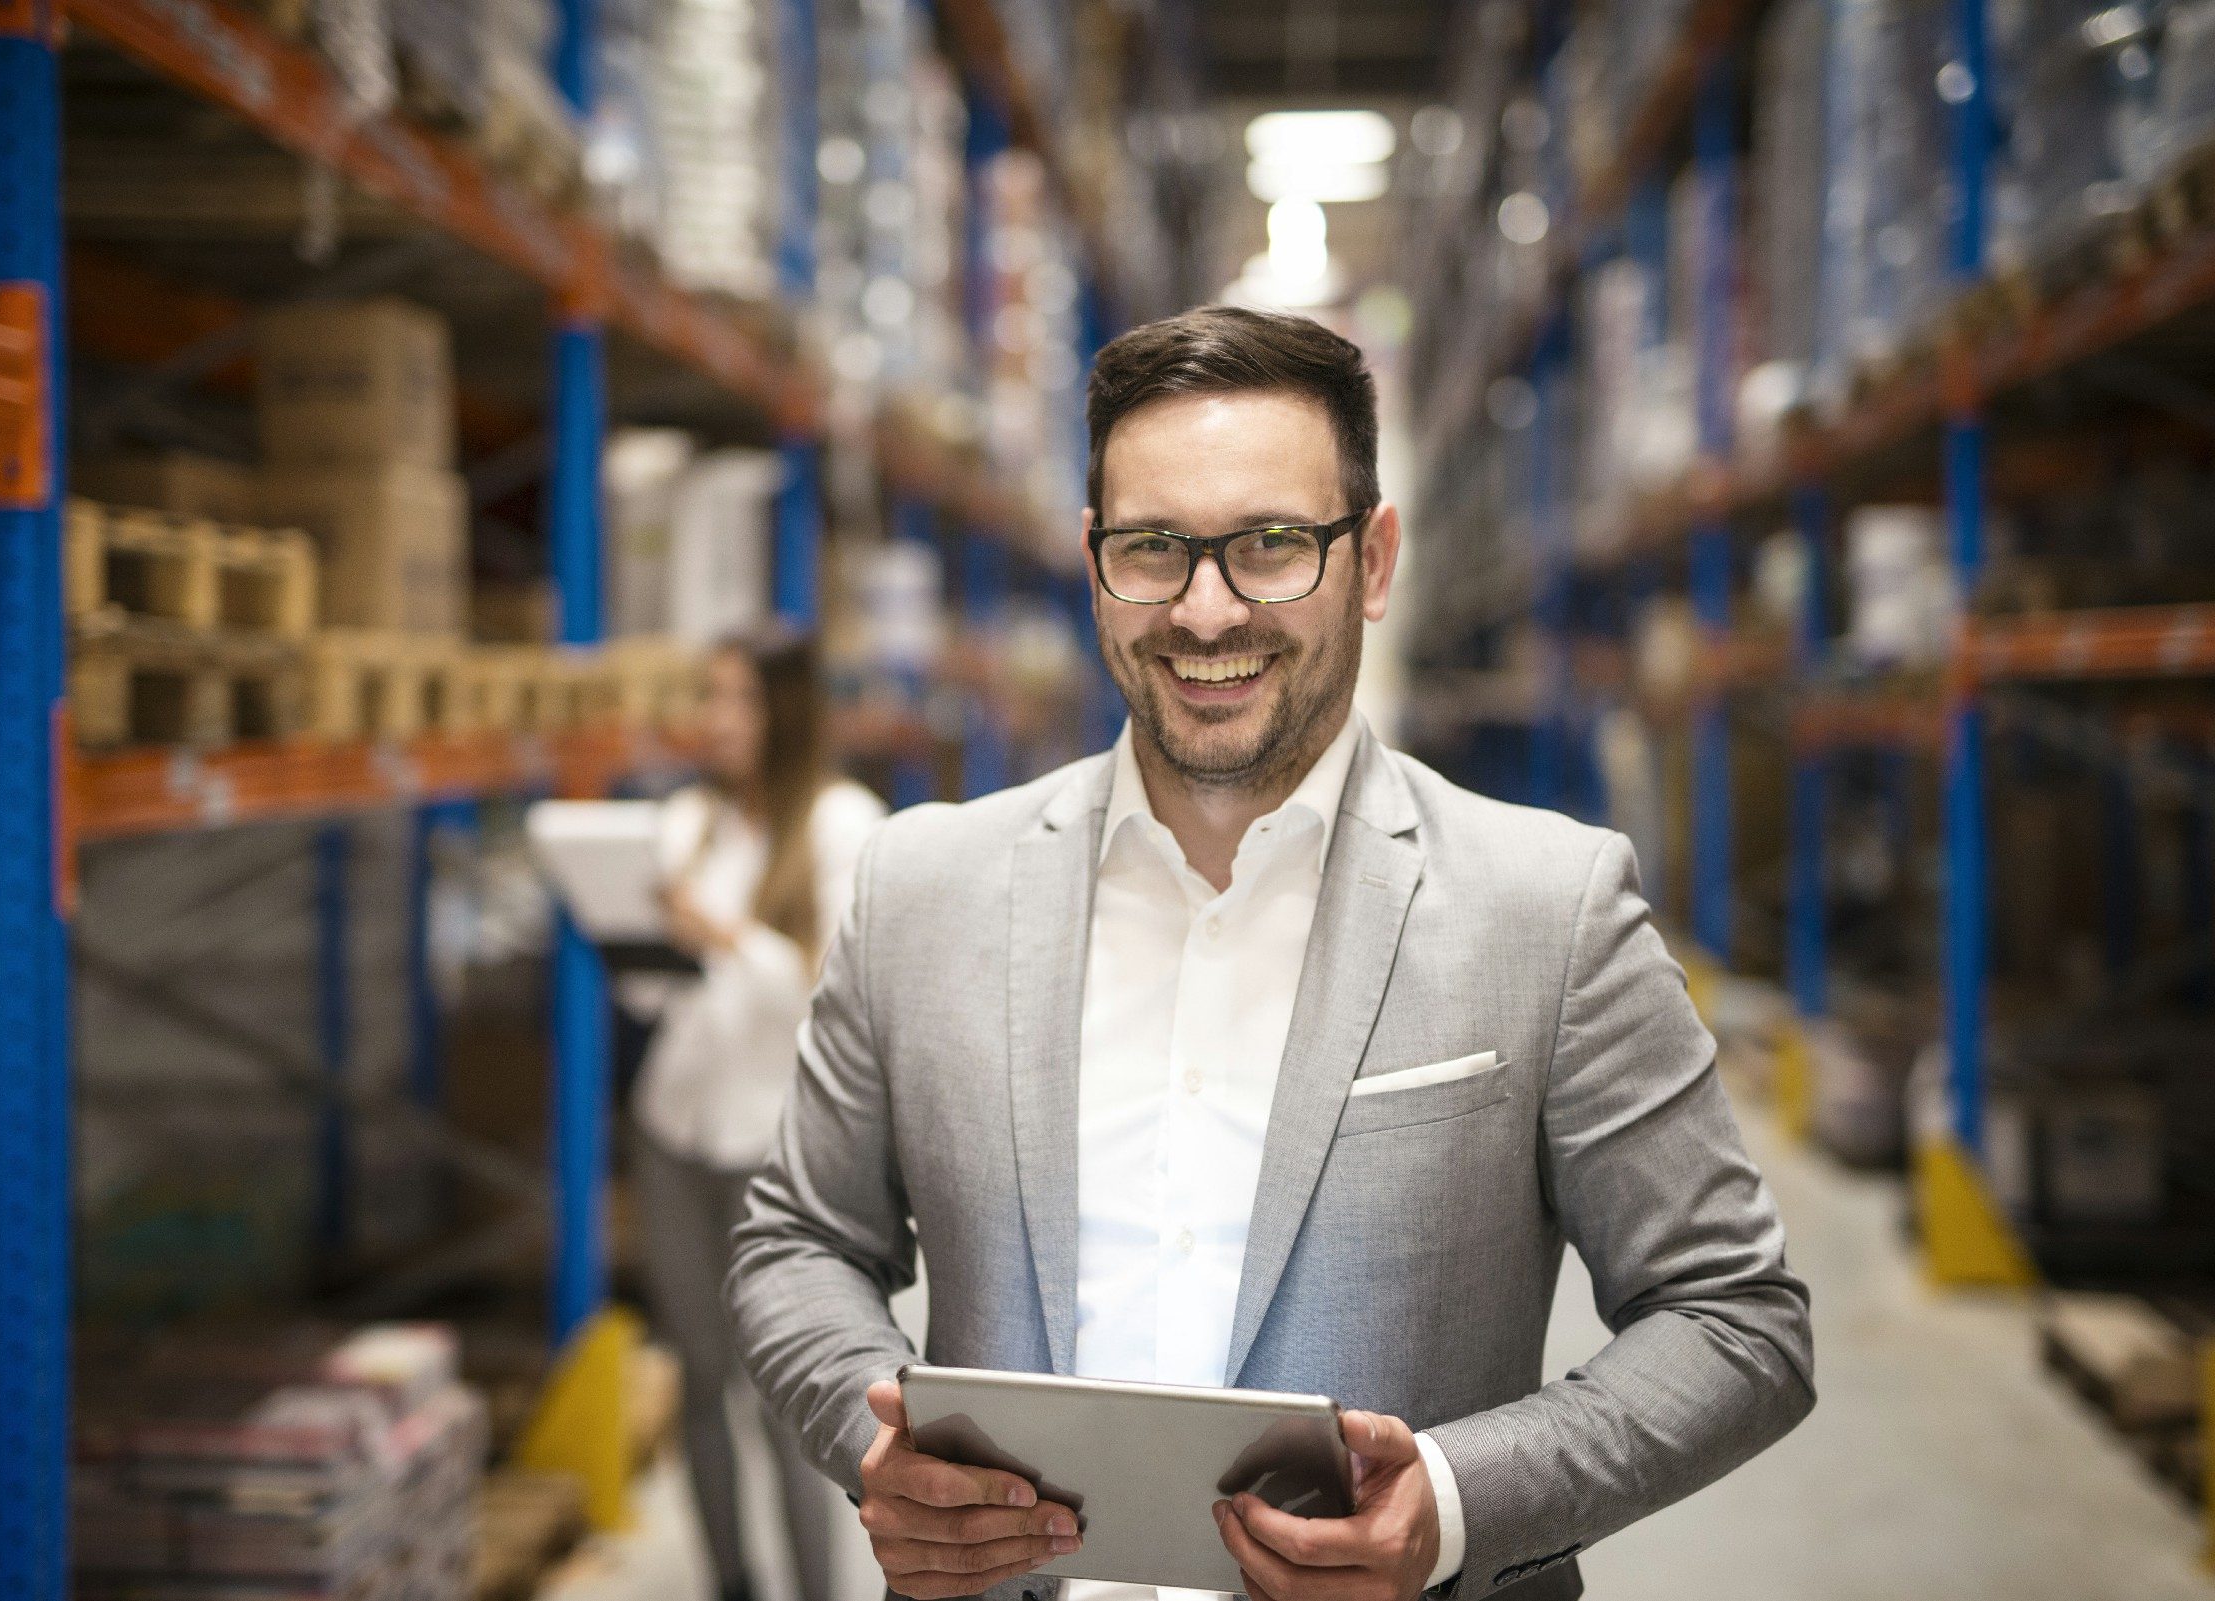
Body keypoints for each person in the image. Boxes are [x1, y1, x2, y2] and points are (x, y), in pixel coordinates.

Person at [727, 305, 1814, 1601]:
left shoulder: (1548, 907)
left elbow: (1736, 1318)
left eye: (1272, 545)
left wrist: (1456, 1505)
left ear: (1374, 560)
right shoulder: (925, 888)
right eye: (1152, 549)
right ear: (1092, 561)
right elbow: (799, 1238)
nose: (1204, 608)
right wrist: (878, 1450)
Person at [630, 625, 885, 1601]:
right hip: (675, 1126)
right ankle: (730, 1579)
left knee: (789, 1396)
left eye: (738, 697)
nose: (717, 719)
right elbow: (655, 1000)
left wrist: (724, 933)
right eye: (711, 695)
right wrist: (643, 943)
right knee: (699, 1374)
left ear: (785, 707)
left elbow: (835, 994)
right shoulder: (686, 821)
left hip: (773, 1146)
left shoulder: (839, 822)